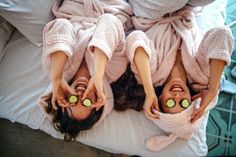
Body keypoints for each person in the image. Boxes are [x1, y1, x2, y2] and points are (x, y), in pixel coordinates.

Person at [112, 4, 234, 151]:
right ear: (190, 101)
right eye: (183, 103)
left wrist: (149, 90)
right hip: (186, 10)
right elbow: (222, 34)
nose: (177, 96)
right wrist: (213, 89)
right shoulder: (200, 76)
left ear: (161, 98)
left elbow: (136, 39)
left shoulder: (153, 76)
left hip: (151, 14)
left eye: (170, 102)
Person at [39, 0, 133, 141]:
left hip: (77, 6)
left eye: (73, 100)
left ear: (64, 104)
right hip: (111, 5)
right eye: (87, 102)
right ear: (98, 104)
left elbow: (61, 25)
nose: (80, 94)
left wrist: (57, 78)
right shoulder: (113, 71)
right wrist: (98, 74)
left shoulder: (56, 68)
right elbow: (109, 21)